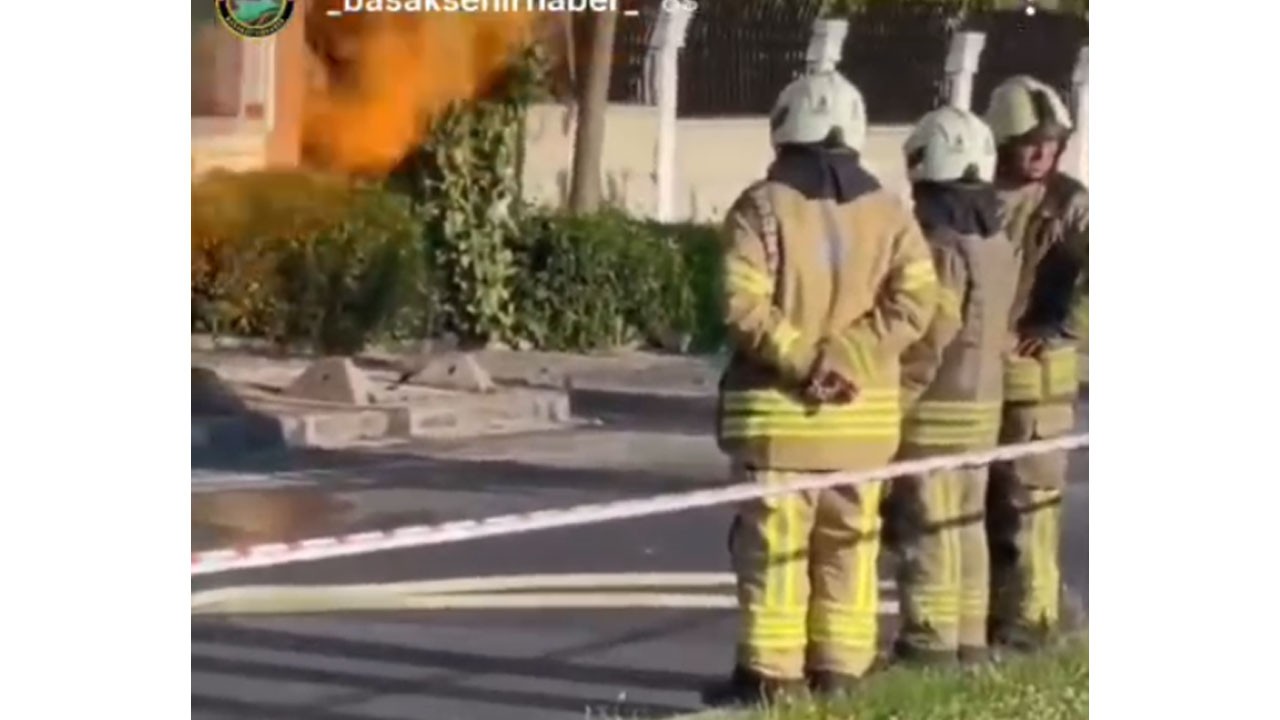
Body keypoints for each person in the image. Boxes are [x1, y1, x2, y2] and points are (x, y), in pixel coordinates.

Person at [706, 69, 939, 705]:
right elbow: (918, 304)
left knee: (776, 555)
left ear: (783, 132)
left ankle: (771, 680)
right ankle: (843, 674)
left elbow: (742, 304)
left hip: (781, 422)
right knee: (852, 550)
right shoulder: (892, 213)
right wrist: (852, 359)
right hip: (863, 426)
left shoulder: (761, 207)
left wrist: (811, 363)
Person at [884, 105, 1017, 668]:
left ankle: (929, 642)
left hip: (937, 411)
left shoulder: (940, 245)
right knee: (968, 529)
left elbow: (929, 334)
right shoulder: (996, 240)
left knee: (929, 531)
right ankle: (969, 641)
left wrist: (895, 401)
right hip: (983, 411)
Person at [981, 75, 1089, 652]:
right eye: (1030, 140)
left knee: (1031, 507)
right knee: (975, 510)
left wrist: (1061, 328)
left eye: (1051, 140)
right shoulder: (969, 194)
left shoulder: (1071, 205)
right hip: (978, 382)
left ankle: (1033, 626)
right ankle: (1000, 618)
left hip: (1040, 387)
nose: (1043, 151)